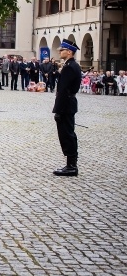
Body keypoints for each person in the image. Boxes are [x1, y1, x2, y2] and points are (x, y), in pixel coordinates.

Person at [52, 40, 82, 176]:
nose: (60, 52)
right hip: (69, 103)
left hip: (66, 105)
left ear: (69, 52)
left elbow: (63, 90)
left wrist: (57, 110)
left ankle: (71, 166)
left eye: (62, 50)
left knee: (67, 135)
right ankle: (71, 164)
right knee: (68, 134)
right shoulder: (71, 65)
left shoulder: (70, 66)